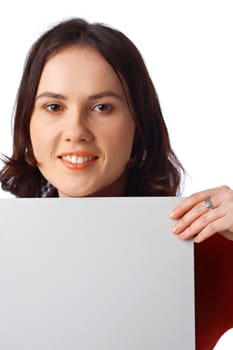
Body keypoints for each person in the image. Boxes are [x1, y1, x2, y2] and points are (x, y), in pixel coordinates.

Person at [0, 18, 233, 349]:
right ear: (26, 124)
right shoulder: (5, 254)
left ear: (139, 125)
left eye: (102, 107)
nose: (76, 129)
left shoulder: (207, 249)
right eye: (54, 106)